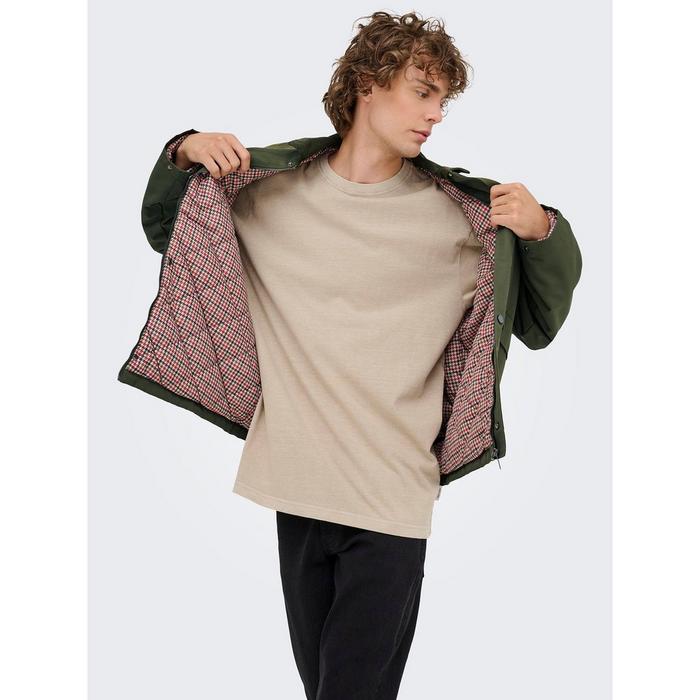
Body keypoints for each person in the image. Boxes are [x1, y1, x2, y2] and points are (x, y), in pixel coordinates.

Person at [119, 10, 582, 700]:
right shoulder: (268, 195)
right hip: (294, 488)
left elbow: (540, 324)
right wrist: (183, 149)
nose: (436, 115)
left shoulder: (464, 219)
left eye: (443, 100)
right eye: (422, 92)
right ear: (368, 83)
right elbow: (172, 230)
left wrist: (544, 231)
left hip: (390, 499)